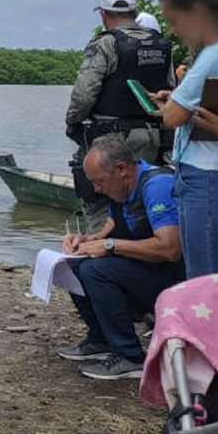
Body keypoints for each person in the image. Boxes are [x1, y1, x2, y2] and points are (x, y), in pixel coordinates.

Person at [55, 135, 184, 380]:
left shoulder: (157, 186)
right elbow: (107, 232)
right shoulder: (122, 191)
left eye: (99, 181)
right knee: (74, 264)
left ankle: (129, 356)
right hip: (147, 271)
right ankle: (101, 339)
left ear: (121, 169)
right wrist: (84, 241)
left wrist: (110, 245)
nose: (97, 189)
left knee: (96, 270)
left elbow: (170, 248)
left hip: (176, 280)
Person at [65, 0, 174, 219]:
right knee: (142, 203)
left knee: (98, 204)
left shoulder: (105, 43)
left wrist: (72, 122)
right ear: (135, 11)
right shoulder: (161, 44)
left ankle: (103, 240)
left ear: (103, 14)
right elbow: (171, 88)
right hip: (153, 137)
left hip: (110, 138)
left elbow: (84, 93)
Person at [153, 0, 218, 278]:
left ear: (197, 12)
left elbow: (173, 117)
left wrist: (174, 104)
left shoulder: (216, 53)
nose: (174, 30)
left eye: (175, 20)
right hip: (217, 173)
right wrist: (177, 100)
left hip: (207, 175)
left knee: (207, 277)